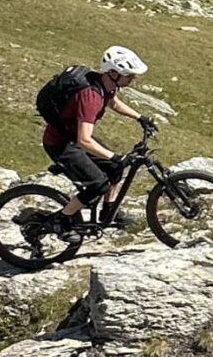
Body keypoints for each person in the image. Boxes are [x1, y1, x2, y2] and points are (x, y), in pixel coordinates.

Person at [43, 46, 158, 225]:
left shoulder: (104, 84)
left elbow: (113, 103)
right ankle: (60, 221)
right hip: (61, 144)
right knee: (98, 185)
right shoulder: (90, 97)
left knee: (114, 168)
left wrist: (140, 117)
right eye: (128, 75)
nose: (132, 78)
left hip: (73, 139)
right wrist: (115, 156)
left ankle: (108, 211)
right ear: (113, 73)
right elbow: (85, 140)